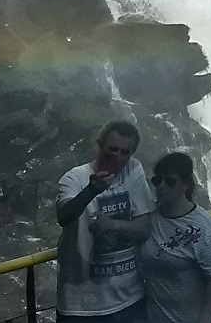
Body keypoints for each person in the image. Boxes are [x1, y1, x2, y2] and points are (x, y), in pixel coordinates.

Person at [57, 120, 157, 322]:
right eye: (111, 150)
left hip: (130, 299)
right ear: (99, 145)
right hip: (81, 307)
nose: (117, 157)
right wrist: (91, 190)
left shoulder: (133, 170)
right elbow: (64, 216)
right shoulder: (74, 179)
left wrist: (113, 224)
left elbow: (145, 228)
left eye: (124, 152)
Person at [139, 152, 211, 323]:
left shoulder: (208, 230)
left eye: (170, 181)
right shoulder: (148, 218)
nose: (161, 186)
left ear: (186, 184)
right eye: (157, 180)